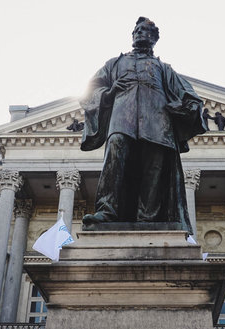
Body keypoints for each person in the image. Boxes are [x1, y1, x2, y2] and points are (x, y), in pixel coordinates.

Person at [79, 17, 207, 234]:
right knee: (116, 152)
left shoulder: (163, 68)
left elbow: (191, 97)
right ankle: (107, 210)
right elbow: (89, 91)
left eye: (145, 30)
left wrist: (184, 108)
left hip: (158, 122)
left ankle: (148, 216)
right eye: (137, 30)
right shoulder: (114, 64)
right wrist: (109, 93)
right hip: (122, 119)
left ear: (154, 38)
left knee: (154, 166)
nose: (140, 33)